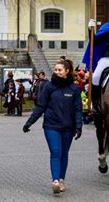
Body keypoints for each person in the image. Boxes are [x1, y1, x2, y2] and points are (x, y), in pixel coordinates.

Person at [22, 59, 82, 194]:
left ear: (67, 71)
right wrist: (29, 122)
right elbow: (41, 106)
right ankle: (55, 181)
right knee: (56, 152)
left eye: (60, 70)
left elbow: (78, 109)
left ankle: (61, 180)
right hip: (51, 126)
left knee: (64, 153)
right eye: (55, 69)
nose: (57, 72)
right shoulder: (49, 86)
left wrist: (79, 126)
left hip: (68, 127)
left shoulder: (74, 89)